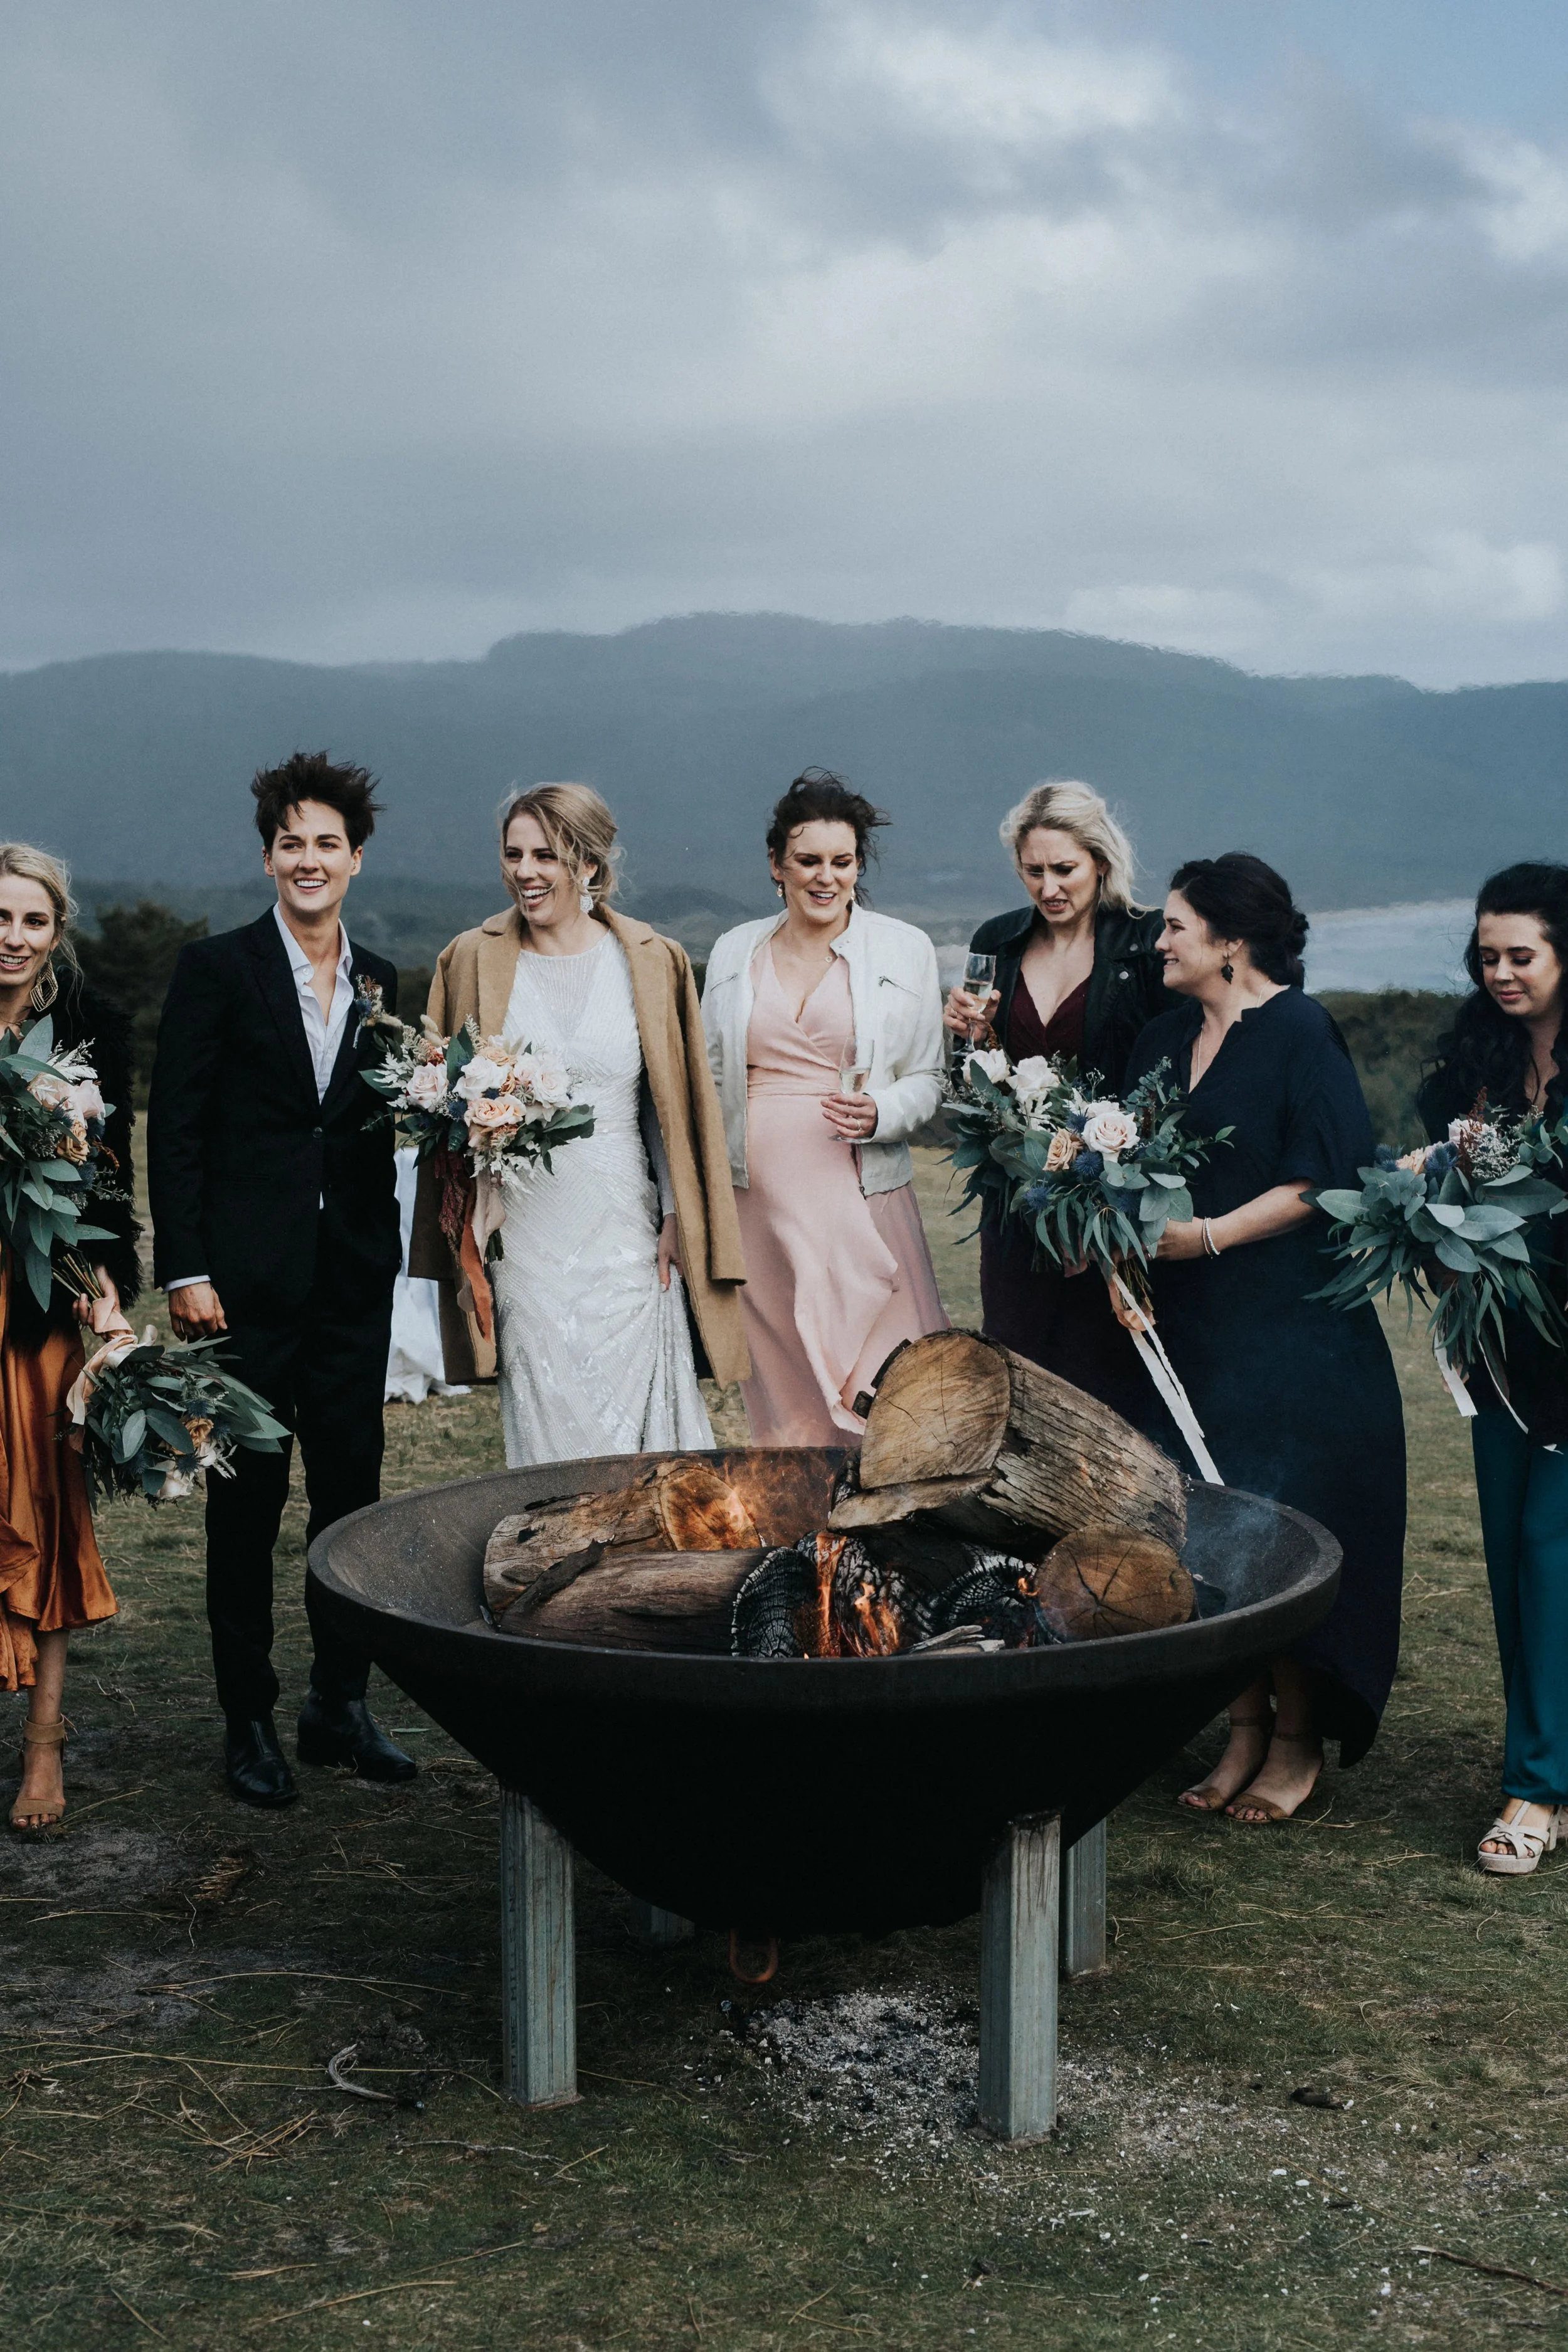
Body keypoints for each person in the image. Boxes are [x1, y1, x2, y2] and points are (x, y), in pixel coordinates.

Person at [149, 752, 413, 1807]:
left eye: (328, 844)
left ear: (356, 859)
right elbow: (175, 1127)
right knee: (246, 1510)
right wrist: (188, 1269)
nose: (310, 860)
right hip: (240, 1288)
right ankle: (248, 1718)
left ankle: (337, 1708)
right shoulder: (217, 970)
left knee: (351, 1500)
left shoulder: (384, 980)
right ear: (269, 856)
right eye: (292, 842)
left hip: (352, 1280)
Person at [1125, 853, 1406, 1823]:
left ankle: (1294, 1737)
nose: (1158, 940)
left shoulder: (1300, 1031)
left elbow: (1321, 1176)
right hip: (1184, 1330)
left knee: (1283, 1522)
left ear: (1230, 941)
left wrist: (1205, 1237)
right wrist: (1118, 1255)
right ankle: (1238, 1725)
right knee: (1207, 1531)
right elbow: (1121, 1167)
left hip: (1291, 1329)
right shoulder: (1161, 1038)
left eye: (1174, 925)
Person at [410, 783, 748, 1465]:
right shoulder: (470, 957)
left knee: (640, 1427)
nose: (525, 872)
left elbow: (670, 1109)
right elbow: (438, 1100)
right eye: (513, 854)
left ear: (589, 865)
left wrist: (679, 1216)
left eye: (547, 855)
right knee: (550, 1419)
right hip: (523, 1232)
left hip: (625, 1225)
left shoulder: (652, 960)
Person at [702, 770, 948, 1445]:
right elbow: (708, 1078)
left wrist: (880, 1111)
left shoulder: (904, 949)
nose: (825, 877)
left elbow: (928, 1076)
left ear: (858, 866)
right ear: (776, 864)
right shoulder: (733, 951)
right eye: (807, 860)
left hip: (859, 1193)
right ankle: (804, 1541)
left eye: (842, 862)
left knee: (891, 1391)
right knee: (790, 1404)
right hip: (756, 1209)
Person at [1416, 864, 1568, 1875]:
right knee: (1513, 1560)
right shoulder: (1473, 1069)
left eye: (1522, 954)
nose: (1501, 971)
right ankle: (1542, 1763)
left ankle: (1536, 1787)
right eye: (1488, 955)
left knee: (1555, 1557)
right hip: (1502, 1350)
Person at [943, 780, 1170, 1416]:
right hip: (1017, 1209)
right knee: (1021, 1385)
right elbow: (972, 1085)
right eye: (1032, 871)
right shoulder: (998, 941)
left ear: (1101, 861)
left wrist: (1119, 1194)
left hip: (1111, 1214)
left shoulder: (1147, 943)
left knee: (1113, 1387)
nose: (1048, 888)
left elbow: (1173, 1081)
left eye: (1064, 869)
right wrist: (966, 1037)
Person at [3, 847, 140, 1831]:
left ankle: (44, 1744)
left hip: (44, 1304)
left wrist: (111, 1302)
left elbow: (107, 1195)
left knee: (48, 1512)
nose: (12, 937)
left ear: (57, 932)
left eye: (32, 921)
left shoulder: (91, 1033)